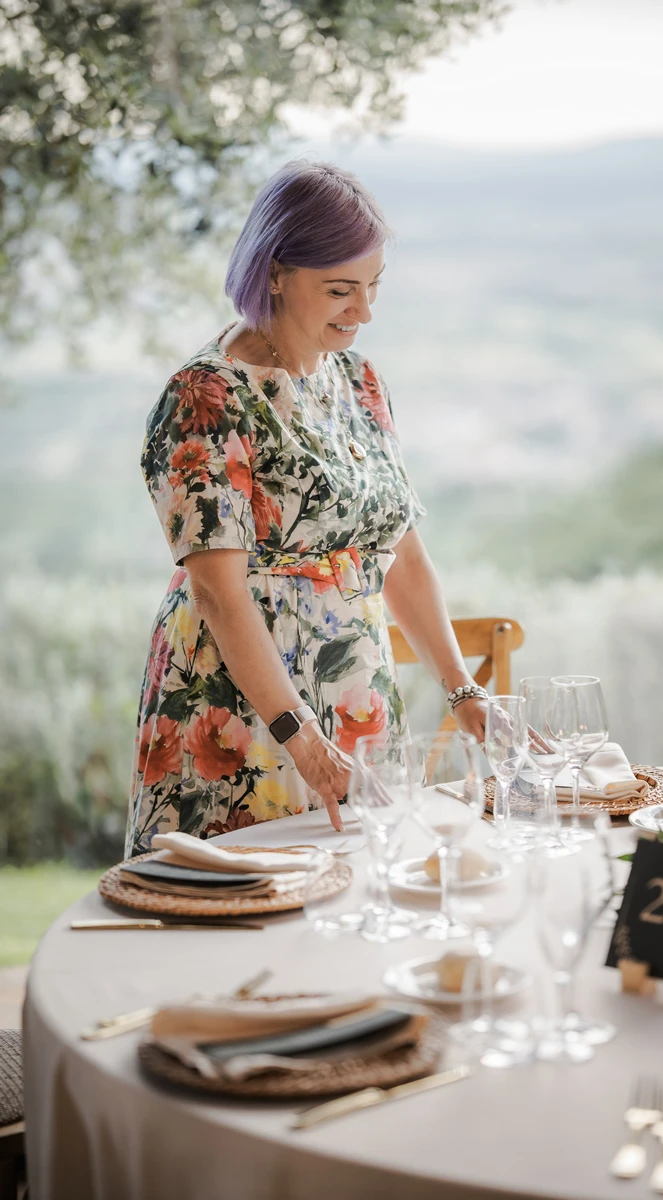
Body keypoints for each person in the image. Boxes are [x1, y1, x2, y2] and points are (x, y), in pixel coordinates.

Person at [126, 160, 488, 856]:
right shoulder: (206, 396)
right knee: (231, 911)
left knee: (359, 901)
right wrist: (302, 738)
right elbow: (218, 594)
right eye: (340, 290)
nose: (364, 310)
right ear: (274, 273)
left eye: (374, 286)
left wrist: (461, 690)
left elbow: (402, 555)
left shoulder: (360, 381)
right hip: (242, 713)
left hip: (356, 698)